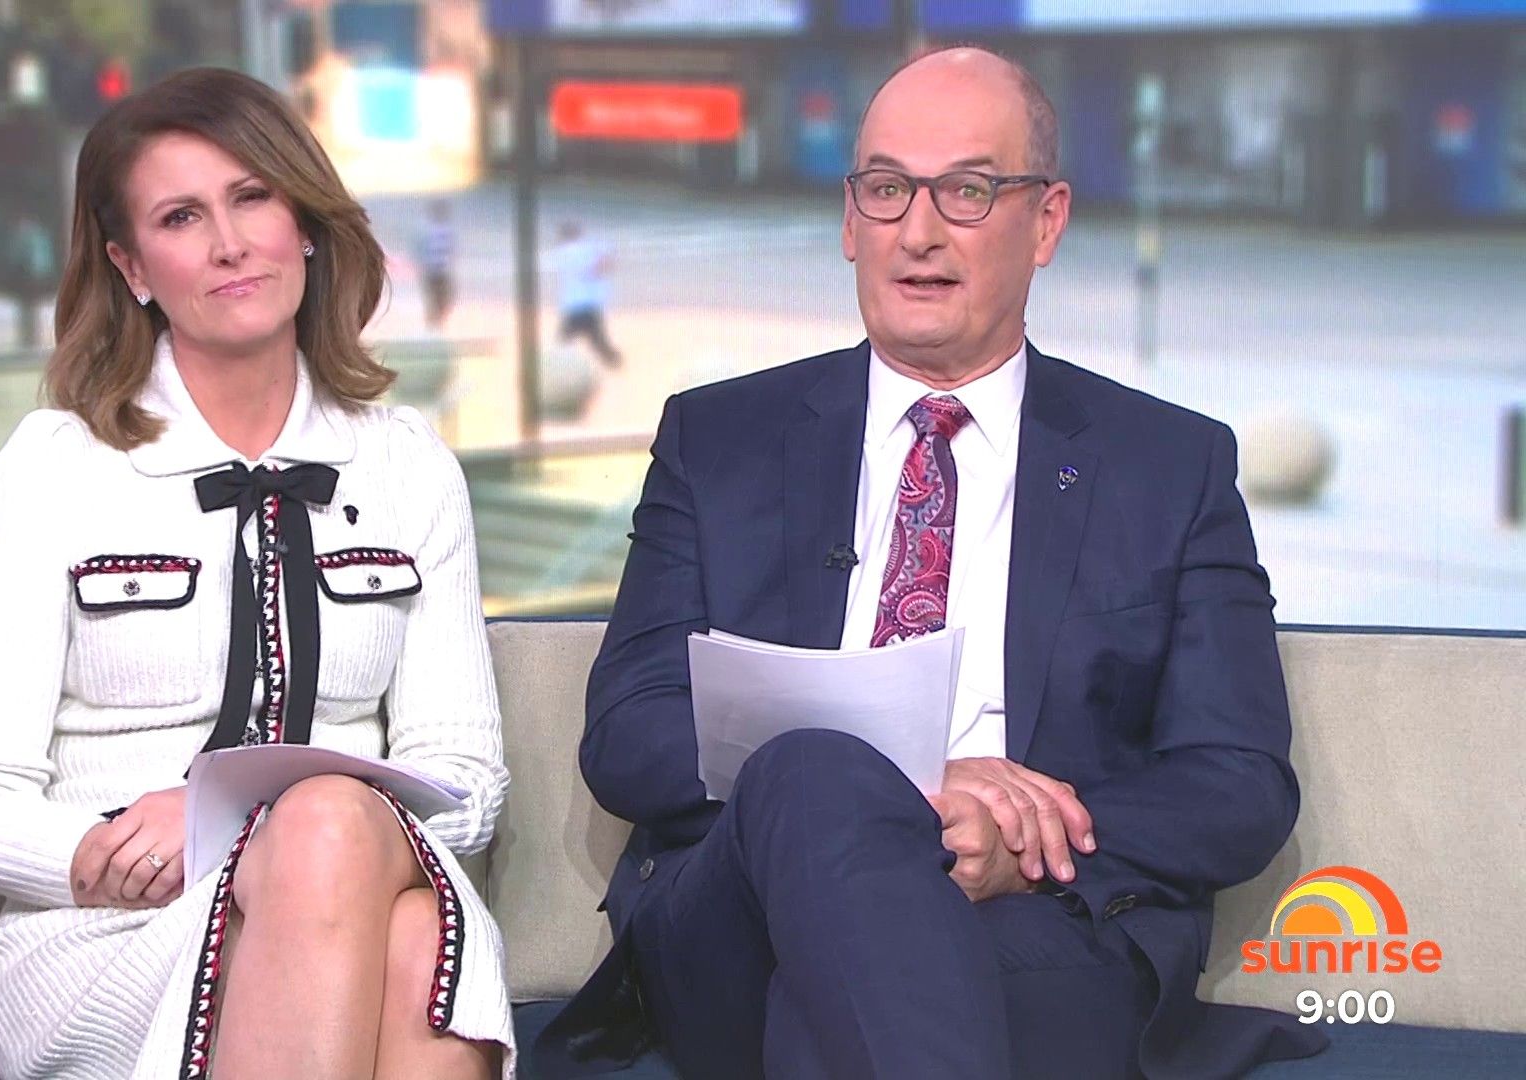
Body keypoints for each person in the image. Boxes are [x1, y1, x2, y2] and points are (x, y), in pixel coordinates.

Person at [535, 46, 1328, 1079]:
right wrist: (905, 791)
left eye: (967, 191)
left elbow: (1238, 782)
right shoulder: (718, 439)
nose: (917, 231)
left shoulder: (1169, 465)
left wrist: (1020, 840)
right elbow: (630, 736)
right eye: (886, 188)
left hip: (1034, 916)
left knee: (845, 1006)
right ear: (849, 220)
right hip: (741, 914)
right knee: (816, 771)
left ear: (1046, 221)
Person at [0, 67, 514, 1080]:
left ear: (305, 224)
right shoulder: (56, 467)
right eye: (182, 217)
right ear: (132, 266)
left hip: (367, 891)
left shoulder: (410, 467)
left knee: (363, 867)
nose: (230, 244)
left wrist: (240, 823)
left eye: (252, 198)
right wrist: (125, 851)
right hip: (110, 934)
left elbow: (471, 785)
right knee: (394, 921)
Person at [551, 221, 622, 368]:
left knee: (565, 342)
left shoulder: (564, 252)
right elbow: (603, 265)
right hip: (590, 305)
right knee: (597, 341)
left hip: (575, 306)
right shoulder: (589, 249)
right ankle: (615, 362)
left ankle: (614, 361)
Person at [415, 198, 457, 332]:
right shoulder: (428, 231)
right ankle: (433, 327)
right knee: (435, 301)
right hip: (433, 271)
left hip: (440, 272)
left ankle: (436, 326)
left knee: (441, 300)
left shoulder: (446, 231)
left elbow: (451, 252)